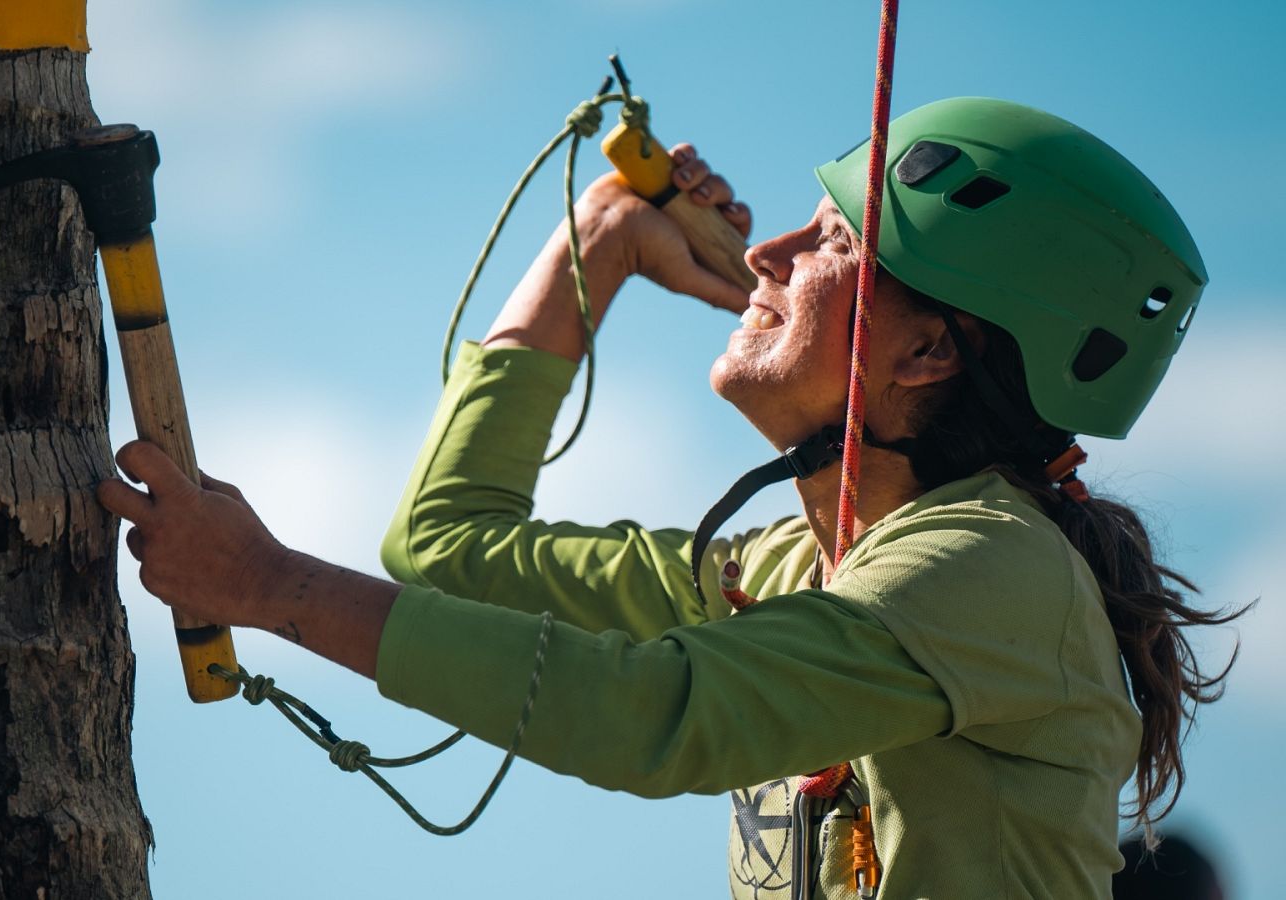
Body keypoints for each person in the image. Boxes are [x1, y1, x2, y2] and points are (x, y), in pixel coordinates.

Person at [97, 98, 1242, 898]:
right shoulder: (799, 569)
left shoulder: (994, 566)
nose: (767, 253)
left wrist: (268, 585)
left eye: (830, 241)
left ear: (929, 354)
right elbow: (448, 547)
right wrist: (596, 249)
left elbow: (662, 716)